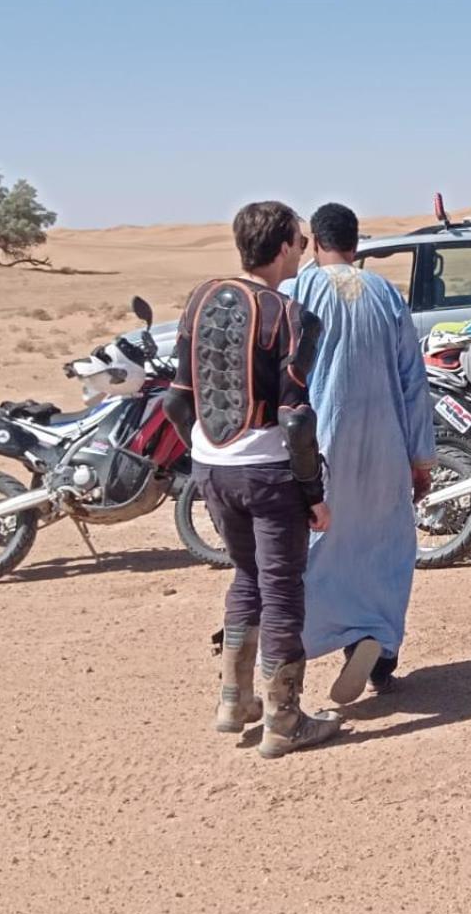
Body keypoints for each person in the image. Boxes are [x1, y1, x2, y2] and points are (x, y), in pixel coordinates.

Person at [163, 201, 341, 758]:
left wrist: (208, 447)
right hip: (268, 473)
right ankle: (284, 720)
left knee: (246, 578)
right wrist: (314, 493)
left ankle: (234, 701)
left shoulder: (200, 300)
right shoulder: (290, 316)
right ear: (284, 246)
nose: (305, 249)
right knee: (283, 588)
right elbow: (296, 417)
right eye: (300, 240)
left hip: (213, 470)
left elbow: (175, 401)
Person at [281, 203, 435, 701]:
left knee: (319, 552)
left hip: (317, 450)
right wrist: (421, 457)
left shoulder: (296, 292)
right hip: (386, 448)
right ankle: (377, 653)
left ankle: (305, 648)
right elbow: (415, 382)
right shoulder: (387, 293)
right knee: (384, 550)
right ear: (355, 243)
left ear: (315, 241)